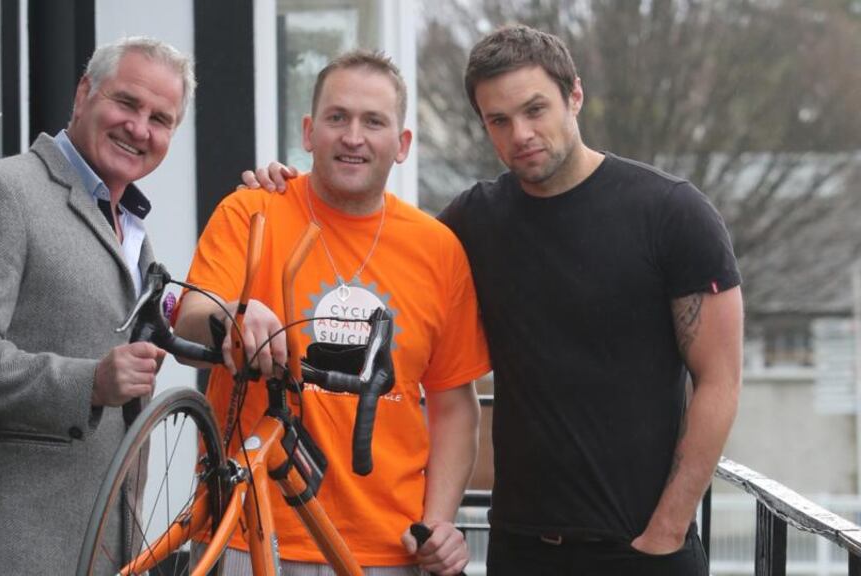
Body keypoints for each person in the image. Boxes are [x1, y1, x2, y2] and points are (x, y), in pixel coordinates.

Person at [244, 25, 743, 576]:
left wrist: (667, 531)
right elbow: (387, 252)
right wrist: (291, 189)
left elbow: (720, 380)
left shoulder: (672, 214)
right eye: (498, 120)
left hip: (644, 550)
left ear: (573, 95)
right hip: (520, 546)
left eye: (536, 109)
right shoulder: (472, 222)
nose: (521, 133)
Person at [174, 50, 489, 575]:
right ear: (308, 131)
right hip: (248, 538)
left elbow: (454, 404)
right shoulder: (252, 210)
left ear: (403, 144)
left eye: (374, 121)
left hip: (388, 552)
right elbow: (191, 314)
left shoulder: (439, 250)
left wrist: (437, 522)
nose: (353, 136)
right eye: (337, 117)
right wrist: (234, 312)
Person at [0, 37, 195, 575]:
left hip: (98, 550)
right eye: (127, 103)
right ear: (84, 93)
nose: (140, 129)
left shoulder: (130, 226)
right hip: (1, 553)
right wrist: (87, 383)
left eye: (161, 118)